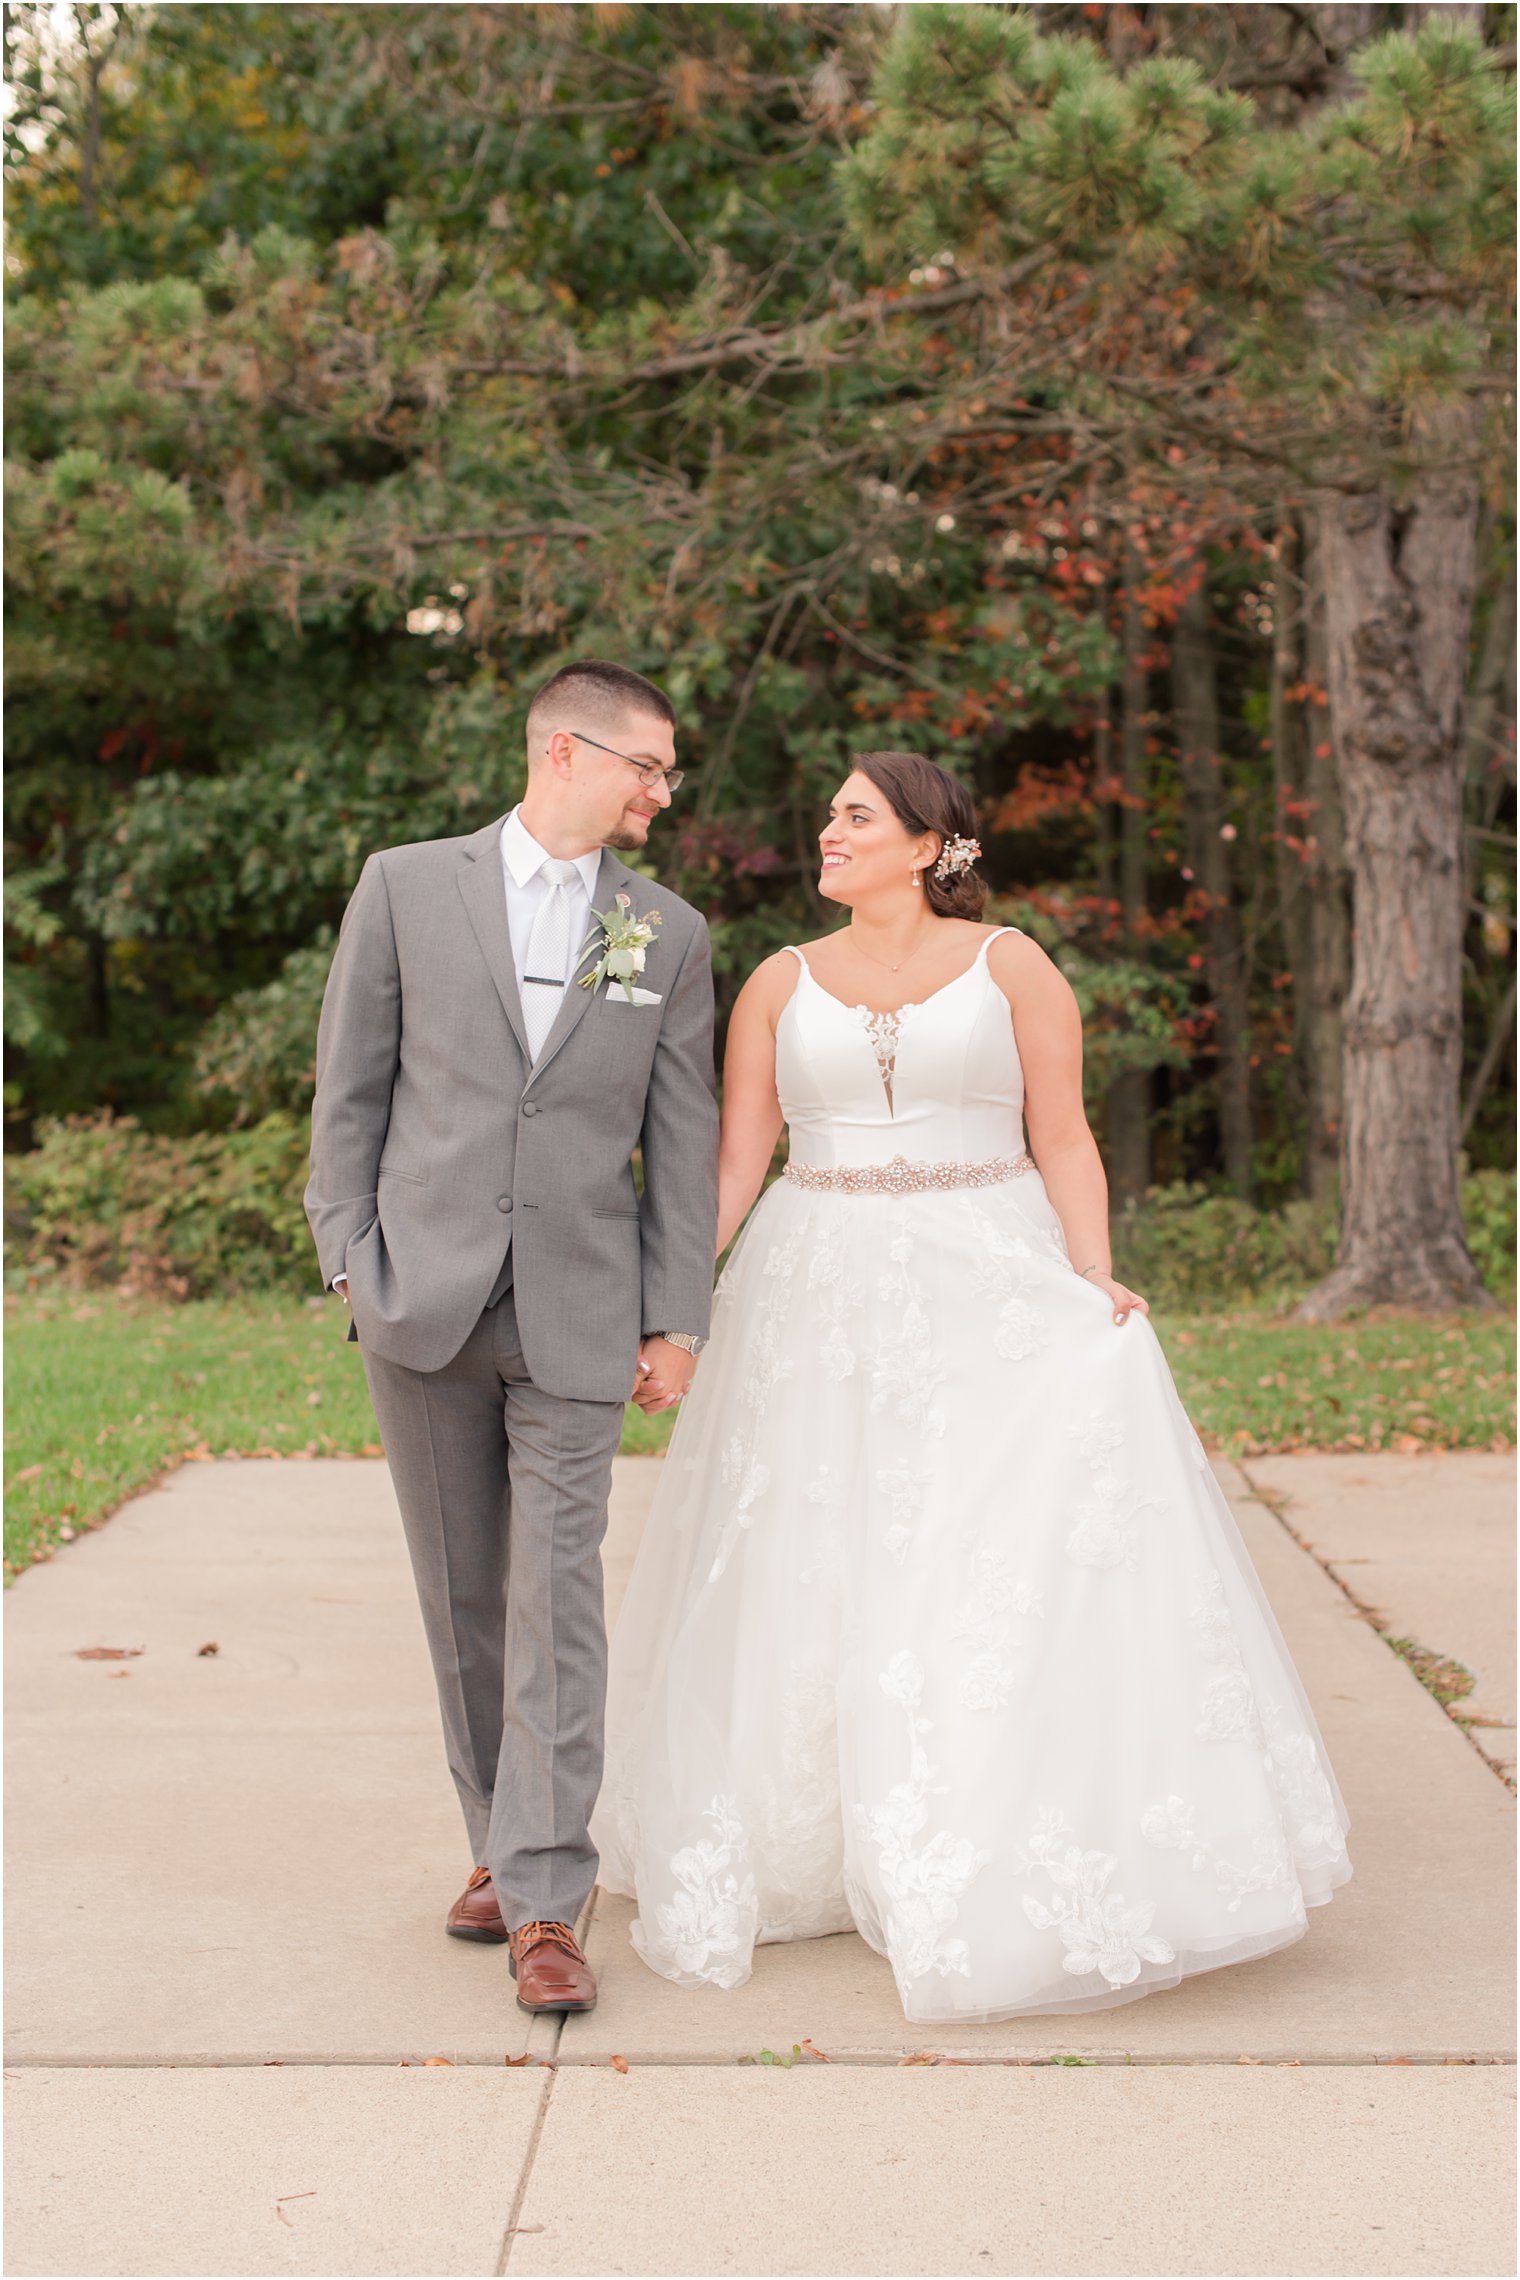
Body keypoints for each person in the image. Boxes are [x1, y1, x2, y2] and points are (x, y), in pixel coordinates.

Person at [595, 749, 1351, 2024]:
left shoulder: (1012, 965)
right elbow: (736, 1160)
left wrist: (1092, 1276)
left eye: (852, 816)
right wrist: (671, 1310)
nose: (825, 832)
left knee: (969, 1551)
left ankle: (971, 1828)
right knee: (811, 1547)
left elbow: (1060, 1129)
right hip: (813, 1287)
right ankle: (815, 1839)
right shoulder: (776, 983)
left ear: (926, 842)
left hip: (982, 1280)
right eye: (830, 814)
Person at [305, 660, 718, 2016]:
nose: (662, 790)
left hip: (581, 1309)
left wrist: (676, 1316)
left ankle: (546, 1897)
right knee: (464, 1602)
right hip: (419, 1299)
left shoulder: (663, 930)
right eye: (645, 765)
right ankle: (498, 1841)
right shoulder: (406, 888)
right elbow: (351, 1093)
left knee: (558, 1597)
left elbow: (680, 1138)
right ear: (563, 751)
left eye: (664, 772)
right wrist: (349, 1265)